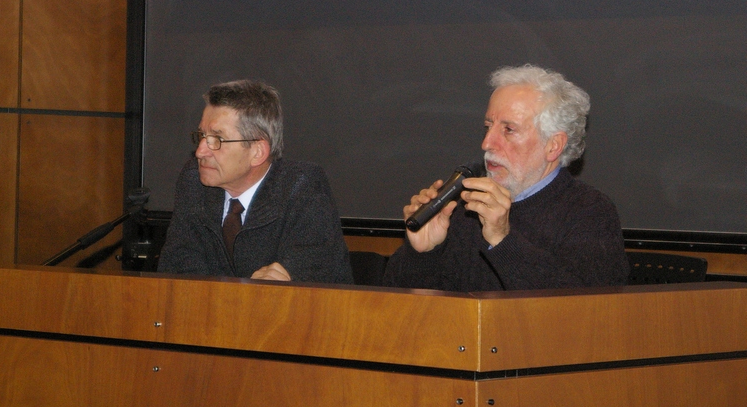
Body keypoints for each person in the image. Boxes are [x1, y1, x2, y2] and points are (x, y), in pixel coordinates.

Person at [383, 64, 630, 292]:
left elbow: (584, 312)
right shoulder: (462, 208)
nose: (487, 143)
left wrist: (502, 240)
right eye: (488, 126)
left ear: (553, 145)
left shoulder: (590, 213)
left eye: (508, 130)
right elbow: (398, 311)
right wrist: (424, 253)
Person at [157, 79, 353, 283]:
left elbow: (309, 273)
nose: (200, 152)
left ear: (258, 152)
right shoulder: (193, 182)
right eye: (202, 136)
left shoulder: (302, 187)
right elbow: (178, 269)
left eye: (217, 139)